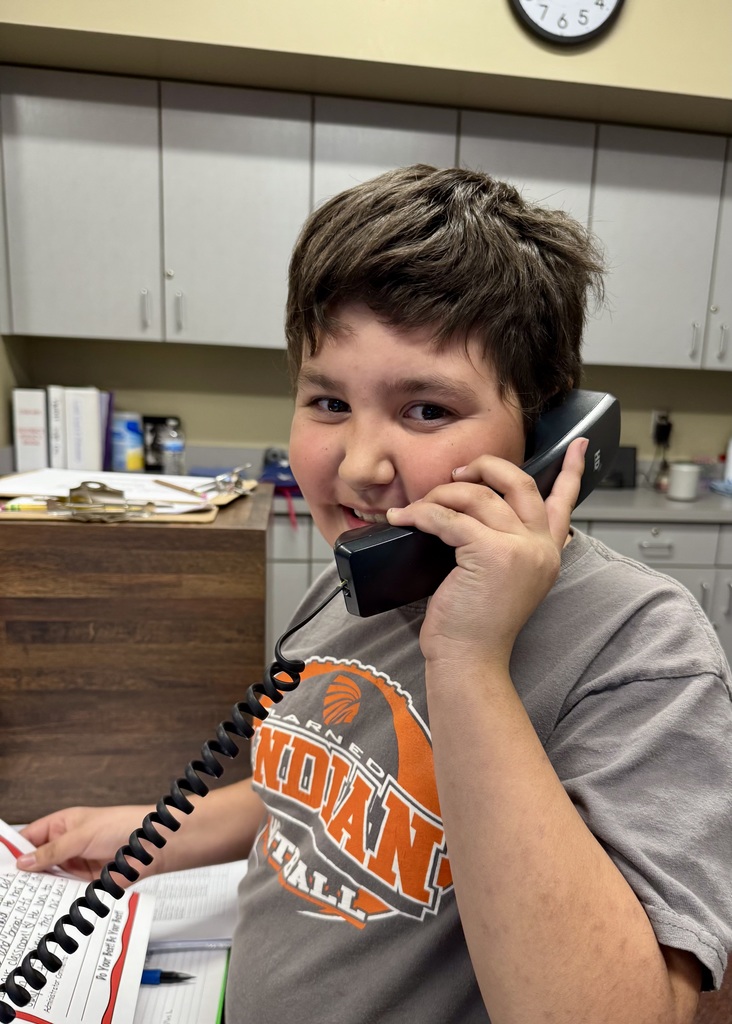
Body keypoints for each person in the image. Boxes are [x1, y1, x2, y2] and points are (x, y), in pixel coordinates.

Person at [14, 166, 732, 1024]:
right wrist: (154, 830)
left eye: (425, 409)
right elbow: (331, 780)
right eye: (327, 401)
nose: (357, 465)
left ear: (547, 433)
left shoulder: (642, 646)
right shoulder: (352, 581)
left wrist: (468, 659)